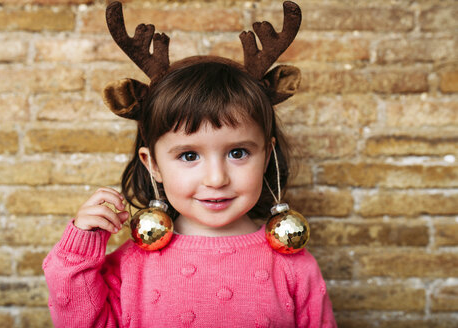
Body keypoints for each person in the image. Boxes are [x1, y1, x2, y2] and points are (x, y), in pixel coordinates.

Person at [43, 1, 336, 327]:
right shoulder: (132, 265)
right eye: (189, 155)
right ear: (152, 163)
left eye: (238, 153)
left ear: (266, 155)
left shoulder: (295, 267)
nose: (216, 178)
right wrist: (80, 250)